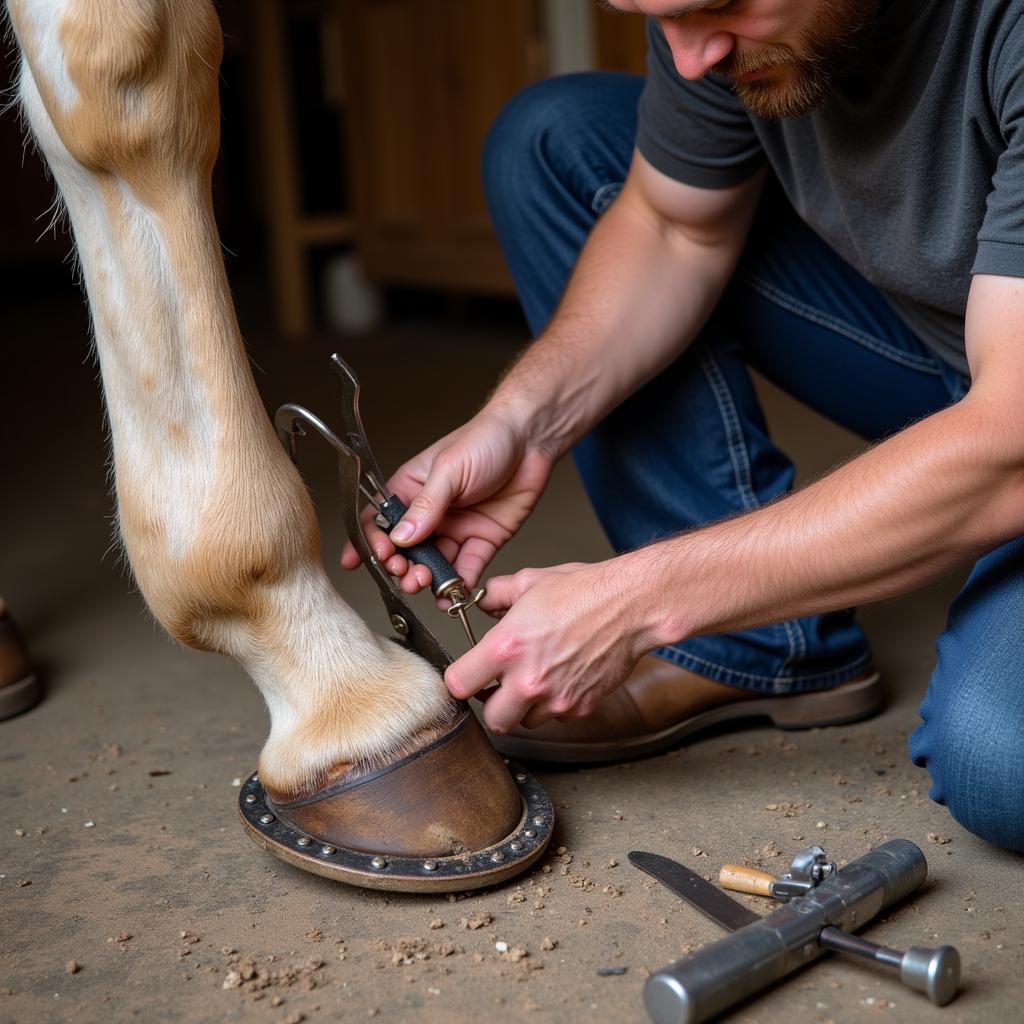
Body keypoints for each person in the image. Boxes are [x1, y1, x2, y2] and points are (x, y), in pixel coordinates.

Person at [342, 0, 1024, 851]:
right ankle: (757, 645)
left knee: (1004, 758)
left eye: (723, 6)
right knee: (555, 137)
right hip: (965, 348)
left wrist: (635, 601)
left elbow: (1011, 445)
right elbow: (672, 228)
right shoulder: (707, 35)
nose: (690, 58)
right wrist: (522, 422)